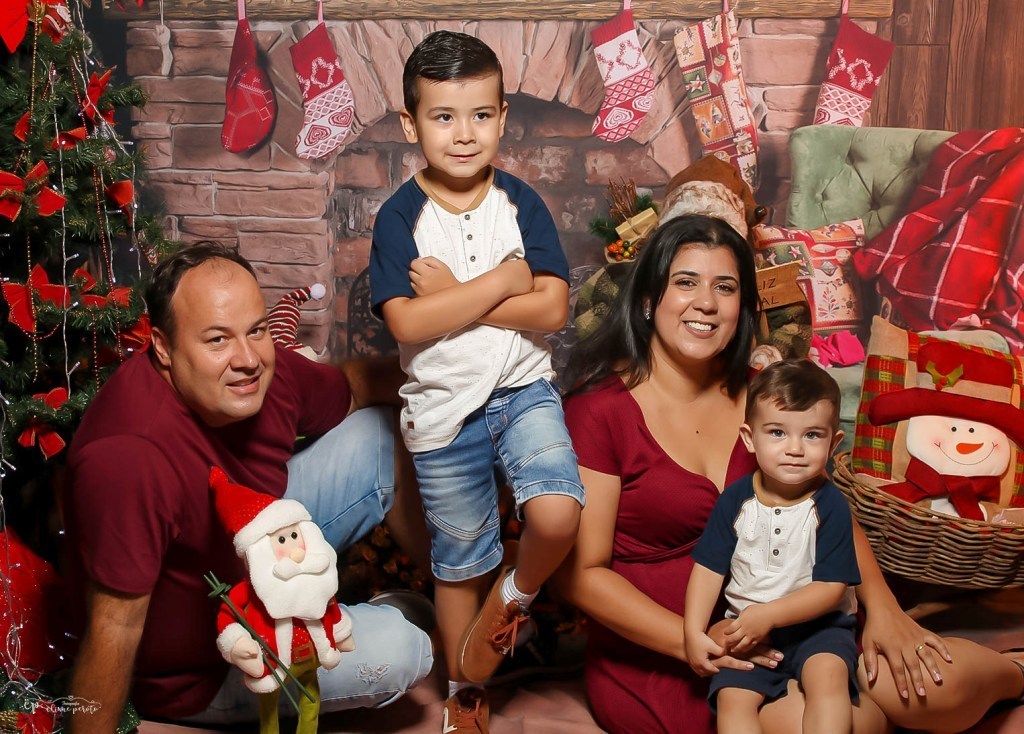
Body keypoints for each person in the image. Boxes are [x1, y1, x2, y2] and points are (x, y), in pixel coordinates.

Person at [557, 214, 1024, 734]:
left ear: (743, 307)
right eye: (686, 282)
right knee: (831, 721)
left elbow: (826, 508)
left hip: (800, 615)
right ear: (649, 300)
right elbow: (582, 573)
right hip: (670, 650)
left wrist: (883, 607)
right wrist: (693, 640)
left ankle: (1015, 672)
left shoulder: (768, 395)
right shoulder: (598, 411)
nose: (706, 303)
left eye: (725, 287)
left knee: (930, 687)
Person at [62, 242, 434, 733]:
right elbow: (113, 627)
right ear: (163, 348)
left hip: (256, 539)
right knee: (407, 649)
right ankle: (382, 614)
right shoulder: (128, 458)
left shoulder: (260, 370)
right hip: (206, 664)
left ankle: (451, 591)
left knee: (380, 432)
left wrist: (462, 383)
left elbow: (356, 386)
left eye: (256, 330)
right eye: (217, 339)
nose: (247, 359)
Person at [369, 30, 585, 732]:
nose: (464, 134)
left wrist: (453, 296)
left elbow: (552, 310)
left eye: (481, 115)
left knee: (557, 513)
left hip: (522, 390)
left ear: (502, 117)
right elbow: (407, 322)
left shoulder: (521, 203)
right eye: (443, 116)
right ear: (411, 125)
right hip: (442, 414)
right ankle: (466, 690)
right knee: (459, 563)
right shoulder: (400, 217)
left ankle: (517, 587)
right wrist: (500, 281)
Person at [685, 360, 859, 734]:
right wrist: (693, 632)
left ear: (834, 443)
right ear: (750, 439)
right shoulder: (735, 501)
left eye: (812, 435)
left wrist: (769, 615)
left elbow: (831, 589)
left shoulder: (830, 505)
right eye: (777, 432)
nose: (795, 448)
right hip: (748, 629)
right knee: (732, 699)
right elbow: (708, 569)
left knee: (828, 677)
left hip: (820, 628)